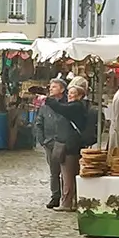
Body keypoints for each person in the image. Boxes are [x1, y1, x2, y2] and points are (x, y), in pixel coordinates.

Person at [44, 80, 94, 210]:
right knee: (68, 174)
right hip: (71, 145)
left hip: (70, 146)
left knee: (68, 176)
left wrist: (47, 99)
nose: (70, 95)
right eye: (69, 93)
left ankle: (67, 203)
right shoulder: (77, 106)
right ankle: (72, 201)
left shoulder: (75, 107)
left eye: (73, 93)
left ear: (79, 95)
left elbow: (60, 108)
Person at [37, 79, 76, 210]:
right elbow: (39, 123)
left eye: (54, 87)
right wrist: (42, 140)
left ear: (62, 89)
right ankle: (55, 196)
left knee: (66, 172)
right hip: (49, 142)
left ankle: (67, 197)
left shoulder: (67, 104)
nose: (51, 89)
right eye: (51, 86)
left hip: (63, 142)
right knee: (54, 172)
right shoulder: (45, 105)